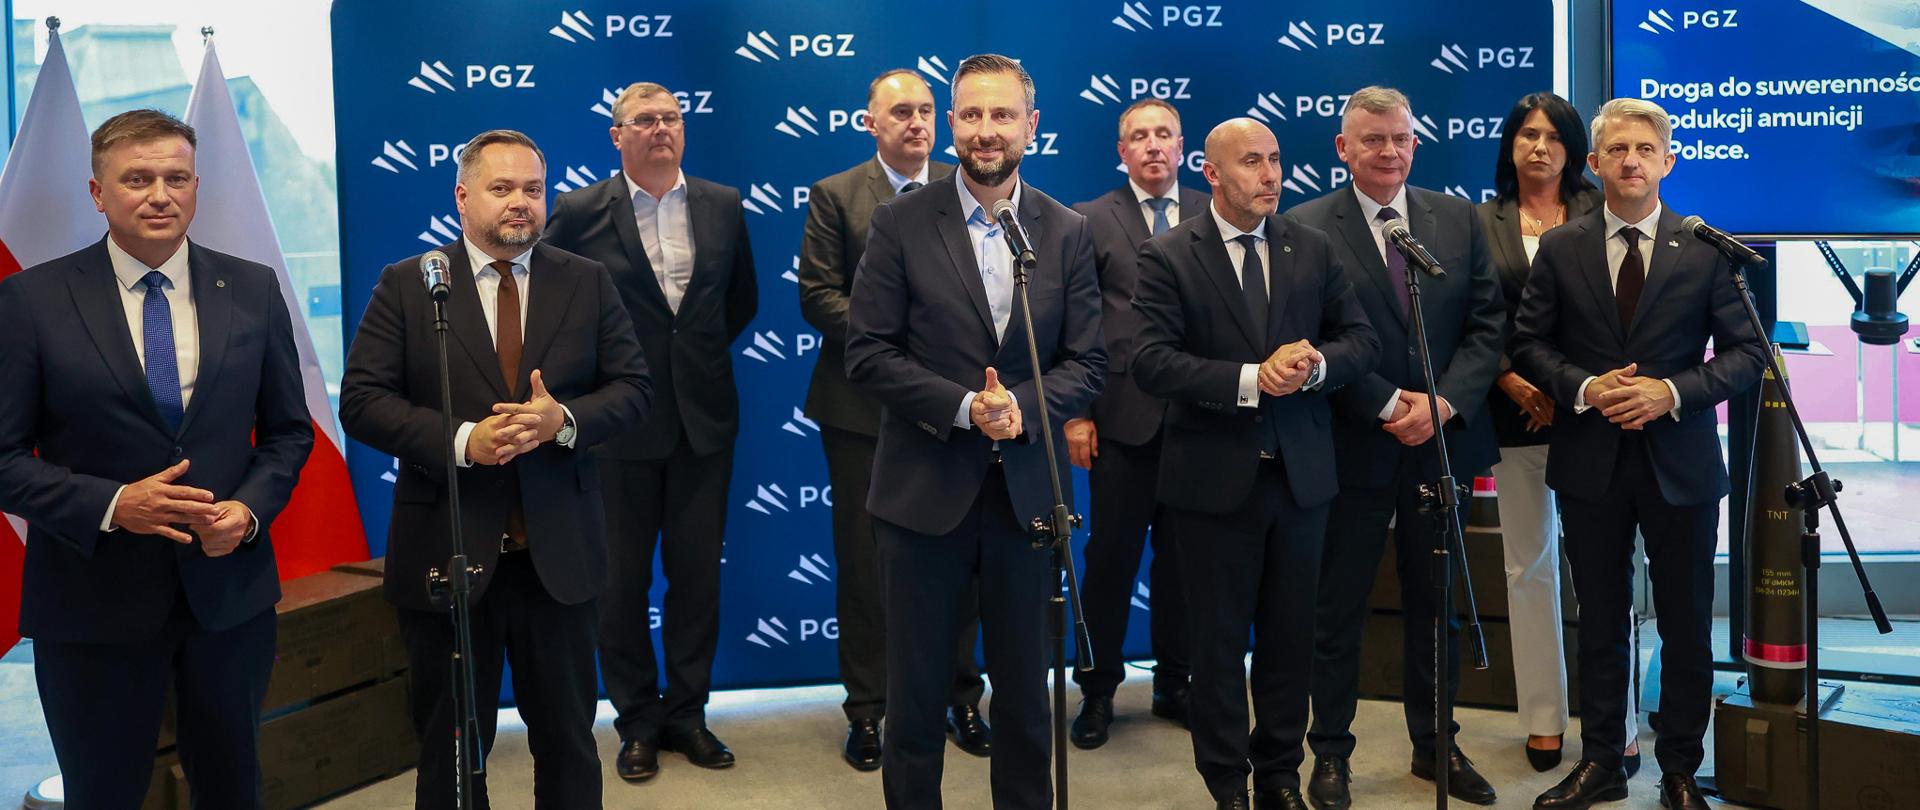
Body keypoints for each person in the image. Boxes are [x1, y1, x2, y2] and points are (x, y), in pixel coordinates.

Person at [0, 108, 312, 809]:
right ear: (97, 192)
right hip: (90, 604)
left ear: (197, 185)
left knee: (232, 790)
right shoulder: (31, 299)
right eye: (137, 179)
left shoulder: (254, 288)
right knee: (103, 794)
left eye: (176, 178)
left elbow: (290, 433)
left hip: (227, 601)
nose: (160, 195)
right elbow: (4, 456)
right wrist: (114, 505)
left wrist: (248, 512)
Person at [340, 129, 652, 810]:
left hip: (557, 559)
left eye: (533, 189)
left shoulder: (585, 280)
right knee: (450, 754)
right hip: (448, 554)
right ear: (462, 196)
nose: (520, 203)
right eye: (502, 188)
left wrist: (561, 421)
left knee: (569, 746)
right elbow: (361, 402)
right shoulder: (410, 283)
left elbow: (634, 390)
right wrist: (462, 440)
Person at [846, 53, 1105, 810]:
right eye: (971, 115)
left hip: (1029, 500)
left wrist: (1021, 407)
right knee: (915, 698)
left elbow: (1089, 362)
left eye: (1002, 115)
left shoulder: (1067, 230)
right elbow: (868, 353)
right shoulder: (899, 222)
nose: (986, 131)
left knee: (1026, 701)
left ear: (1032, 125)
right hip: (922, 495)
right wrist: (964, 407)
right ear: (951, 124)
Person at [1516, 98, 1763, 810]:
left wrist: (1672, 392)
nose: (1631, 161)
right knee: (1600, 619)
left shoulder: (1708, 248)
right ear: (1594, 163)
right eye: (1618, 150)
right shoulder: (1562, 247)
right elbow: (1529, 343)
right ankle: (1603, 762)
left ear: (1667, 162)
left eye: (1645, 150)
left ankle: (1680, 769)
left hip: (1680, 462)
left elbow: (1749, 352)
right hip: (1590, 459)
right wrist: (1585, 388)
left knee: (1686, 622)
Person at [1132, 118, 1379, 810]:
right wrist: (1250, 379)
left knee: (1290, 640)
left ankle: (1278, 775)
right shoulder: (1169, 254)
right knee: (1215, 646)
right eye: (1251, 162)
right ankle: (1227, 783)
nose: (1271, 175)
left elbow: (1360, 339)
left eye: (1274, 159)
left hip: (1301, 480)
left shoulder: (1312, 247)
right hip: (1212, 483)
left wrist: (1317, 366)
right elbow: (1151, 361)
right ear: (1211, 173)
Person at [1284, 85, 1506, 809]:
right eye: (1372, 139)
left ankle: (1436, 743)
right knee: (1336, 607)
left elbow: (1487, 327)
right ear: (1343, 148)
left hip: (1439, 445)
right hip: (1351, 443)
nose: (1388, 151)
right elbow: (1309, 341)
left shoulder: (1458, 219)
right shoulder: (1305, 226)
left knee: (1436, 603)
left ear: (1416, 143)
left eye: (1400, 138)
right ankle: (1330, 752)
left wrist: (1442, 402)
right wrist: (1385, 403)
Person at [544, 81, 760, 782]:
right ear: (617, 135)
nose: (661, 128)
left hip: (704, 423)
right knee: (620, 586)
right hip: (617, 428)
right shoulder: (579, 212)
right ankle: (636, 721)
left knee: (696, 581)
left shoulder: (722, 204)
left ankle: (688, 715)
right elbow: (550, 304)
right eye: (644, 120)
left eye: (671, 117)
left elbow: (740, 301)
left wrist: (685, 360)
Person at [798, 67, 993, 772]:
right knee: (867, 564)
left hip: (953, 409)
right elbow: (819, 296)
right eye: (901, 111)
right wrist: (906, 339)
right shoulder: (837, 194)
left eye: (927, 111)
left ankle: (961, 696)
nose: (917, 123)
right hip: (862, 411)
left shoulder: (963, 188)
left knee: (963, 556)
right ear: (871, 123)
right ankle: (868, 708)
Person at [1476, 91, 1645, 776]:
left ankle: (1620, 723)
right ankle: (1543, 719)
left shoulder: (1603, 210)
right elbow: (1473, 315)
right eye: (1527, 134)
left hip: (1597, 415)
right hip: (1515, 413)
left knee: (1608, 574)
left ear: (1576, 148)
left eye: (1552, 135)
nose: (1539, 146)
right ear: (1510, 145)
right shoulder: (1479, 222)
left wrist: (1572, 388)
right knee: (1528, 568)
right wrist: (1512, 380)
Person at [1065, 97, 1209, 749]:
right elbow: (1074, 320)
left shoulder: (1214, 209)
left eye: (1164, 134)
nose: (1153, 145)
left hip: (1200, 420)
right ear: (1121, 152)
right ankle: (1097, 691)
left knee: (1186, 564)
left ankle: (1176, 685)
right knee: (1110, 562)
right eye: (1139, 136)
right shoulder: (1089, 219)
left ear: (1182, 147)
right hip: (1121, 420)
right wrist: (1077, 413)